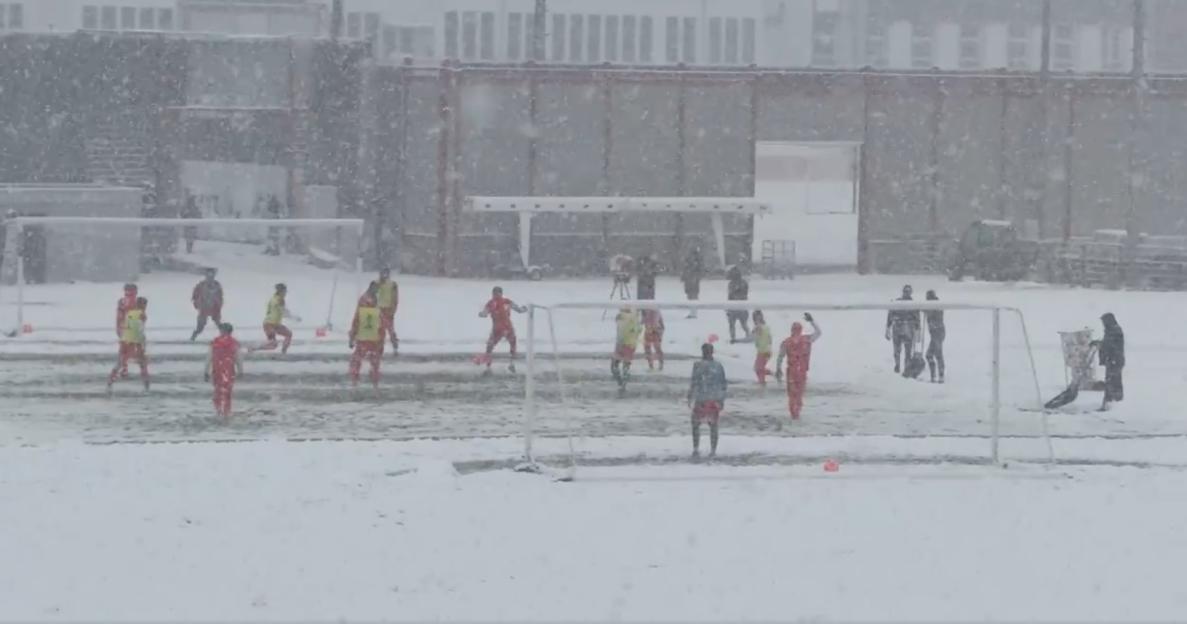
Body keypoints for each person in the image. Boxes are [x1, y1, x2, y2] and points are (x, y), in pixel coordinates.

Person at [776, 313, 823, 421]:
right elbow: (819, 333)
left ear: (791, 330)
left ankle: (794, 414)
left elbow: (780, 357)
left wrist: (778, 368)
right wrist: (812, 321)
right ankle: (797, 413)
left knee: (792, 395)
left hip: (792, 372)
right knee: (799, 395)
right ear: (801, 330)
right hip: (801, 371)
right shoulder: (806, 339)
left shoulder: (786, 342)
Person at [687, 342, 728, 459]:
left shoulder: (698, 365)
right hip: (714, 400)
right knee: (713, 425)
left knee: (695, 424)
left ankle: (696, 448)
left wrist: (690, 396)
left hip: (701, 399)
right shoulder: (718, 366)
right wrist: (721, 400)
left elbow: (694, 382)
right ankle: (713, 450)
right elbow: (723, 384)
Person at [479, 286, 527, 374]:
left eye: (496, 293)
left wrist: (482, 314)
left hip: (498, 329)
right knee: (512, 345)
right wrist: (524, 309)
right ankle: (511, 364)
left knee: (490, 347)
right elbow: (519, 310)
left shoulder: (492, 303)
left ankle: (488, 367)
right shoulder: (506, 301)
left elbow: (485, 313)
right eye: (495, 293)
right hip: (507, 327)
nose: (496, 295)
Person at [107, 296, 149, 394]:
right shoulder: (142, 315)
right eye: (145, 305)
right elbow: (138, 329)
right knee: (142, 363)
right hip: (135, 342)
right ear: (143, 305)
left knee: (120, 363)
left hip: (125, 340)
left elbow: (125, 326)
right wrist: (142, 342)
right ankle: (146, 385)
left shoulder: (129, 313)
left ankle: (110, 381)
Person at [205, 323, 243, 420]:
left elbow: (209, 357)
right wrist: (240, 370)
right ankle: (226, 412)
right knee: (228, 392)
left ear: (222, 331)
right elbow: (238, 358)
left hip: (217, 369)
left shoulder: (214, 342)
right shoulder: (234, 343)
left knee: (217, 391)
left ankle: (218, 411)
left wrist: (206, 371)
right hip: (229, 370)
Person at [349, 292, 384, 389]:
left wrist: (351, 338)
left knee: (356, 360)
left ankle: (355, 379)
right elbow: (382, 329)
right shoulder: (378, 312)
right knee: (375, 361)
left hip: (362, 340)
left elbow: (355, 325)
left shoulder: (360, 312)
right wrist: (381, 343)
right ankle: (375, 380)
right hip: (374, 341)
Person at [255, 283, 300, 354]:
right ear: (281, 291)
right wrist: (295, 318)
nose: (285, 293)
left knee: (288, 334)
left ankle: (283, 352)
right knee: (273, 344)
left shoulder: (276, 298)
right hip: (269, 324)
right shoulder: (278, 300)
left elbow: (282, 311)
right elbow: (284, 313)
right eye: (284, 291)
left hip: (275, 324)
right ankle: (254, 349)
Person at [885, 285, 920, 374]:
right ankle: (899, 366)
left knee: (904, 350)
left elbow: (917, 319)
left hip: (904, 327)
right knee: (899, 349)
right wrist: (888, 328)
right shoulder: (901, 303)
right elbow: (890, 315)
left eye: (907, 292)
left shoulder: (912, 304)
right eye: (905, 291)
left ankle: (905, 367)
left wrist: (918, 331)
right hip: (900, 327)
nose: (906, 293)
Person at [1095, 312, 1125, 411]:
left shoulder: (1114, 331)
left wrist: (1100, 345)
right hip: (1113, 360)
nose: (1103, 323)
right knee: (1113, 381)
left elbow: (1109, 345)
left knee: (1111, 382)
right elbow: (1107, 343)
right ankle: (1114, 402)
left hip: (1114, 360)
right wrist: (1098, 343)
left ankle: (1110, 404)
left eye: (1104, 321)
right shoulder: (1111, 330)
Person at [612, 307, 643, 394]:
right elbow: (639, 330)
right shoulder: (635, 318)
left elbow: (621, 332)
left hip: (622, 344)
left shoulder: (622, 318)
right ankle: (624, 384)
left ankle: (620, 383)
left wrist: (620, 343)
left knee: (614, 366)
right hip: (631, 345)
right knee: (626, 366)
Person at [190, 268, 224, 342]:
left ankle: (225, 338)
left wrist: (219, 304)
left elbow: (220, 296)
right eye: (208, 275)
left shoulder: (217, 285)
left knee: (219, 324)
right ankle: (193, 337)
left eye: (212, 275)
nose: (210, 277)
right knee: (200, 326)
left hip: (215, 308)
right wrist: (197, 303)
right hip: (204, 308)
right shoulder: (201, 285)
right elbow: (195, 295)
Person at [114, 283, 138, 377]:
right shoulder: (135, 302)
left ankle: (124, 368)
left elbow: (119, 317)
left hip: (123, 328)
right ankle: (124, 368)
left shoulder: (122, 301)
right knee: (128, 351)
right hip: (130, 329)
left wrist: (118, 327)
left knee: (123, 351)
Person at [375, 267, 400, 355]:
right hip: (380, 309)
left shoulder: (392, 284)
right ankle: (379, 348)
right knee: (381, 330)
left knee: (389, 329)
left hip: (387, 309)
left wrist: (393, 309)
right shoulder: (377, 283)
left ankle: (394, 346)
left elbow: (395, 298)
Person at [924, 290, 946, 383]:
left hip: (938, 332)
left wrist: (926, 310)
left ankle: (940, 375)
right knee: (929, 355)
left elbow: (932, 314)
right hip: (934, 333)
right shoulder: (931, 305)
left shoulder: (937, 305)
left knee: (938, 354)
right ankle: (933, 375)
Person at [726, 261, 750, 342]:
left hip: (738, 306)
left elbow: (731, 295)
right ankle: (743, 335)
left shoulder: (734, 283)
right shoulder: (735, 283)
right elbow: (730, 295)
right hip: (738, 306)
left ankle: (737, 336)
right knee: (739, 324)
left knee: (736, 324)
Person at [752, 310, 774, 385]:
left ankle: (762, 383)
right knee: (759, 368)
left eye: (758, 318)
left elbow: (756, 335)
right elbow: (770, 339)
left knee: (759, 369)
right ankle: (773, 374)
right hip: (766, 351)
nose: (757, 320)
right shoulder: (766, 327)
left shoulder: (759, 327)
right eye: (756, 318)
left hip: (763, 351)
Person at [682, 245, 704, 318]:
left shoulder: (695, 260)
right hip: (691, 279)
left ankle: (693, 312)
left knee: (692, 296)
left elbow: (690, 268)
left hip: (692, 280)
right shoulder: (695, 259)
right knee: (691, 295)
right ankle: (693, 312)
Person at [642, 307, 665, 371]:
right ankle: (653, 365)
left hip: (654, 331)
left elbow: (643, 321)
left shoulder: (654, 310)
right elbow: (643, 321)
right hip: (650, 331)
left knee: (654, 348)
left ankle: (657, 365)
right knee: (649, 348)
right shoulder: (646, 310)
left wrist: (660, 333)